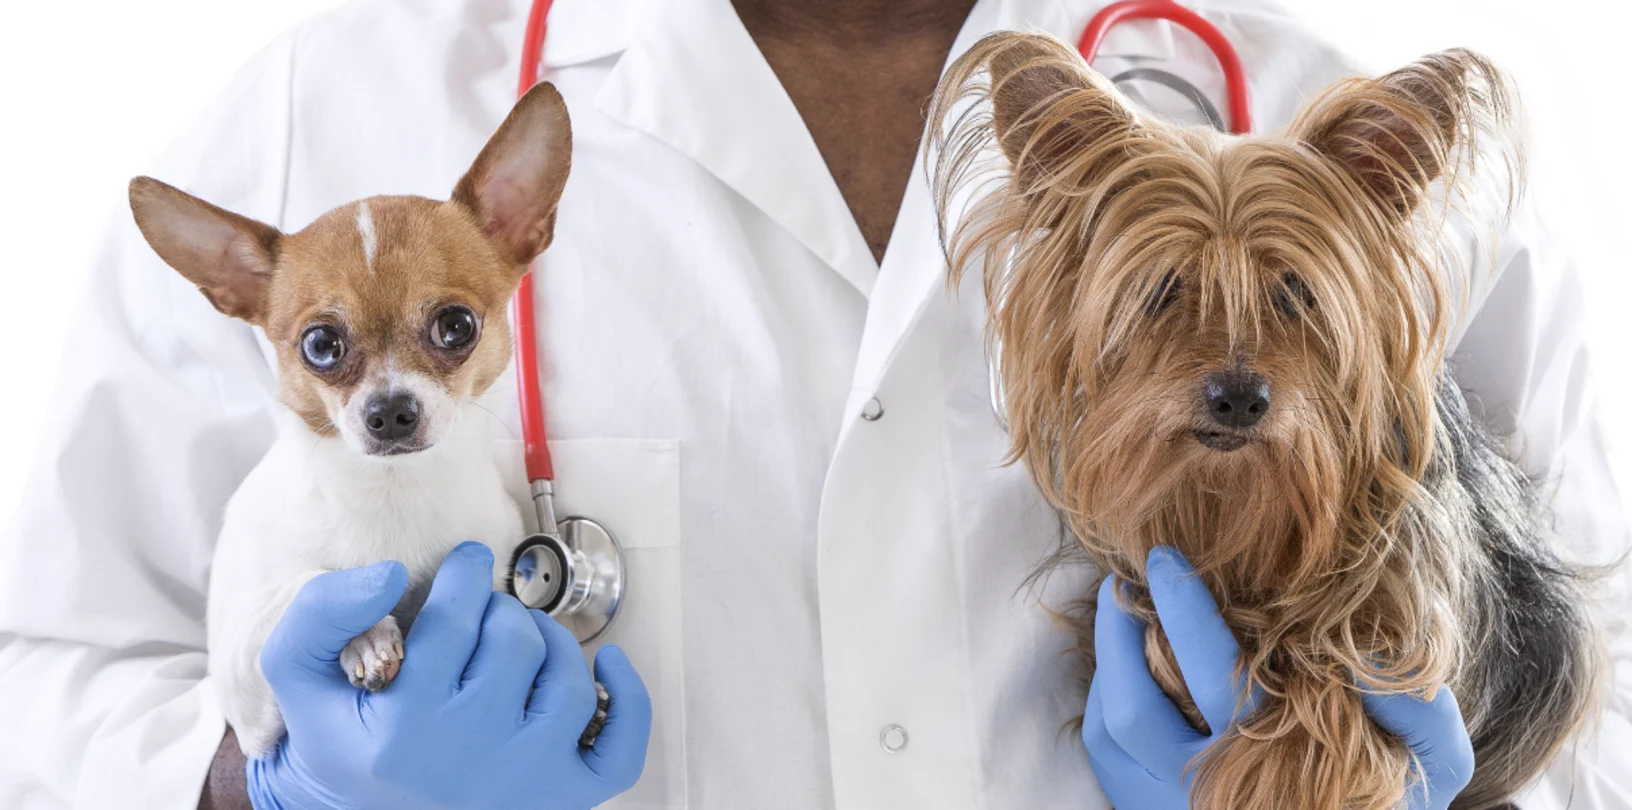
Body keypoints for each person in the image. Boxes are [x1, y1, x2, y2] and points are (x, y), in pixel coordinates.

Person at [0, 0, 1626, 807]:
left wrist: (1442, 785)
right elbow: (51, 673)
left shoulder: (1335, 103)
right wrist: (264, 790)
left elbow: (1596, 687)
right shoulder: (334, 104)